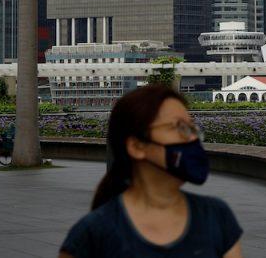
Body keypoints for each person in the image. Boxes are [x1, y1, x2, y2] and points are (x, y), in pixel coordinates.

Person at [59, 84, 243, 258]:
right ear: (137, 146)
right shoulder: (92, 234)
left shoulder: (216, 216)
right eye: (178, 127)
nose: (192, 138)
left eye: (192, 127)